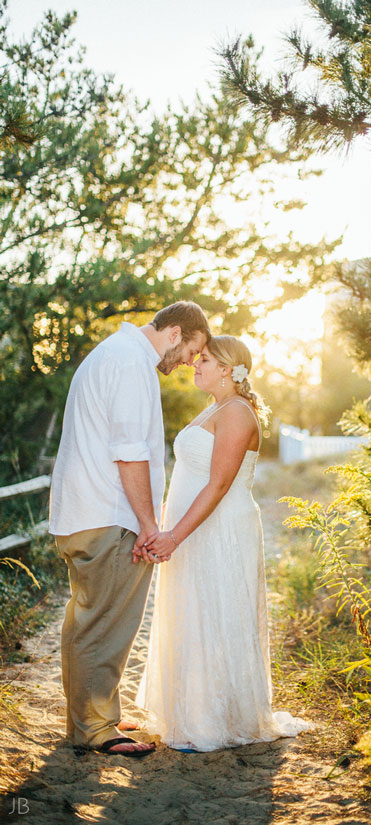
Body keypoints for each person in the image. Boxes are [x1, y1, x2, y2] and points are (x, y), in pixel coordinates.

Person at [49, 301, 210, 757]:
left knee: (88, 619)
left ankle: (95, 714)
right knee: (104, 623)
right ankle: (95, 728)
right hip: (108, 516)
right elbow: (129, 453)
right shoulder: (131, 363)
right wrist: (147, 524)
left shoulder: (115, 352)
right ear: (175, 333)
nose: (186, 364)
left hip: (87, 512)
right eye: (191, 351)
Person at [136, 335, 311, 751]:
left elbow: (217, 486)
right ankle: (187, 711)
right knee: (193, 610)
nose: (196, 363)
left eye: (206, 359)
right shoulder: (214, 408)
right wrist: (162, 525)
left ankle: (211, 721)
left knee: (215, 612)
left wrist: (174, 535)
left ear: (229, 371)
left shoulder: (237, 413)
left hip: (220, 529)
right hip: (191, 528)